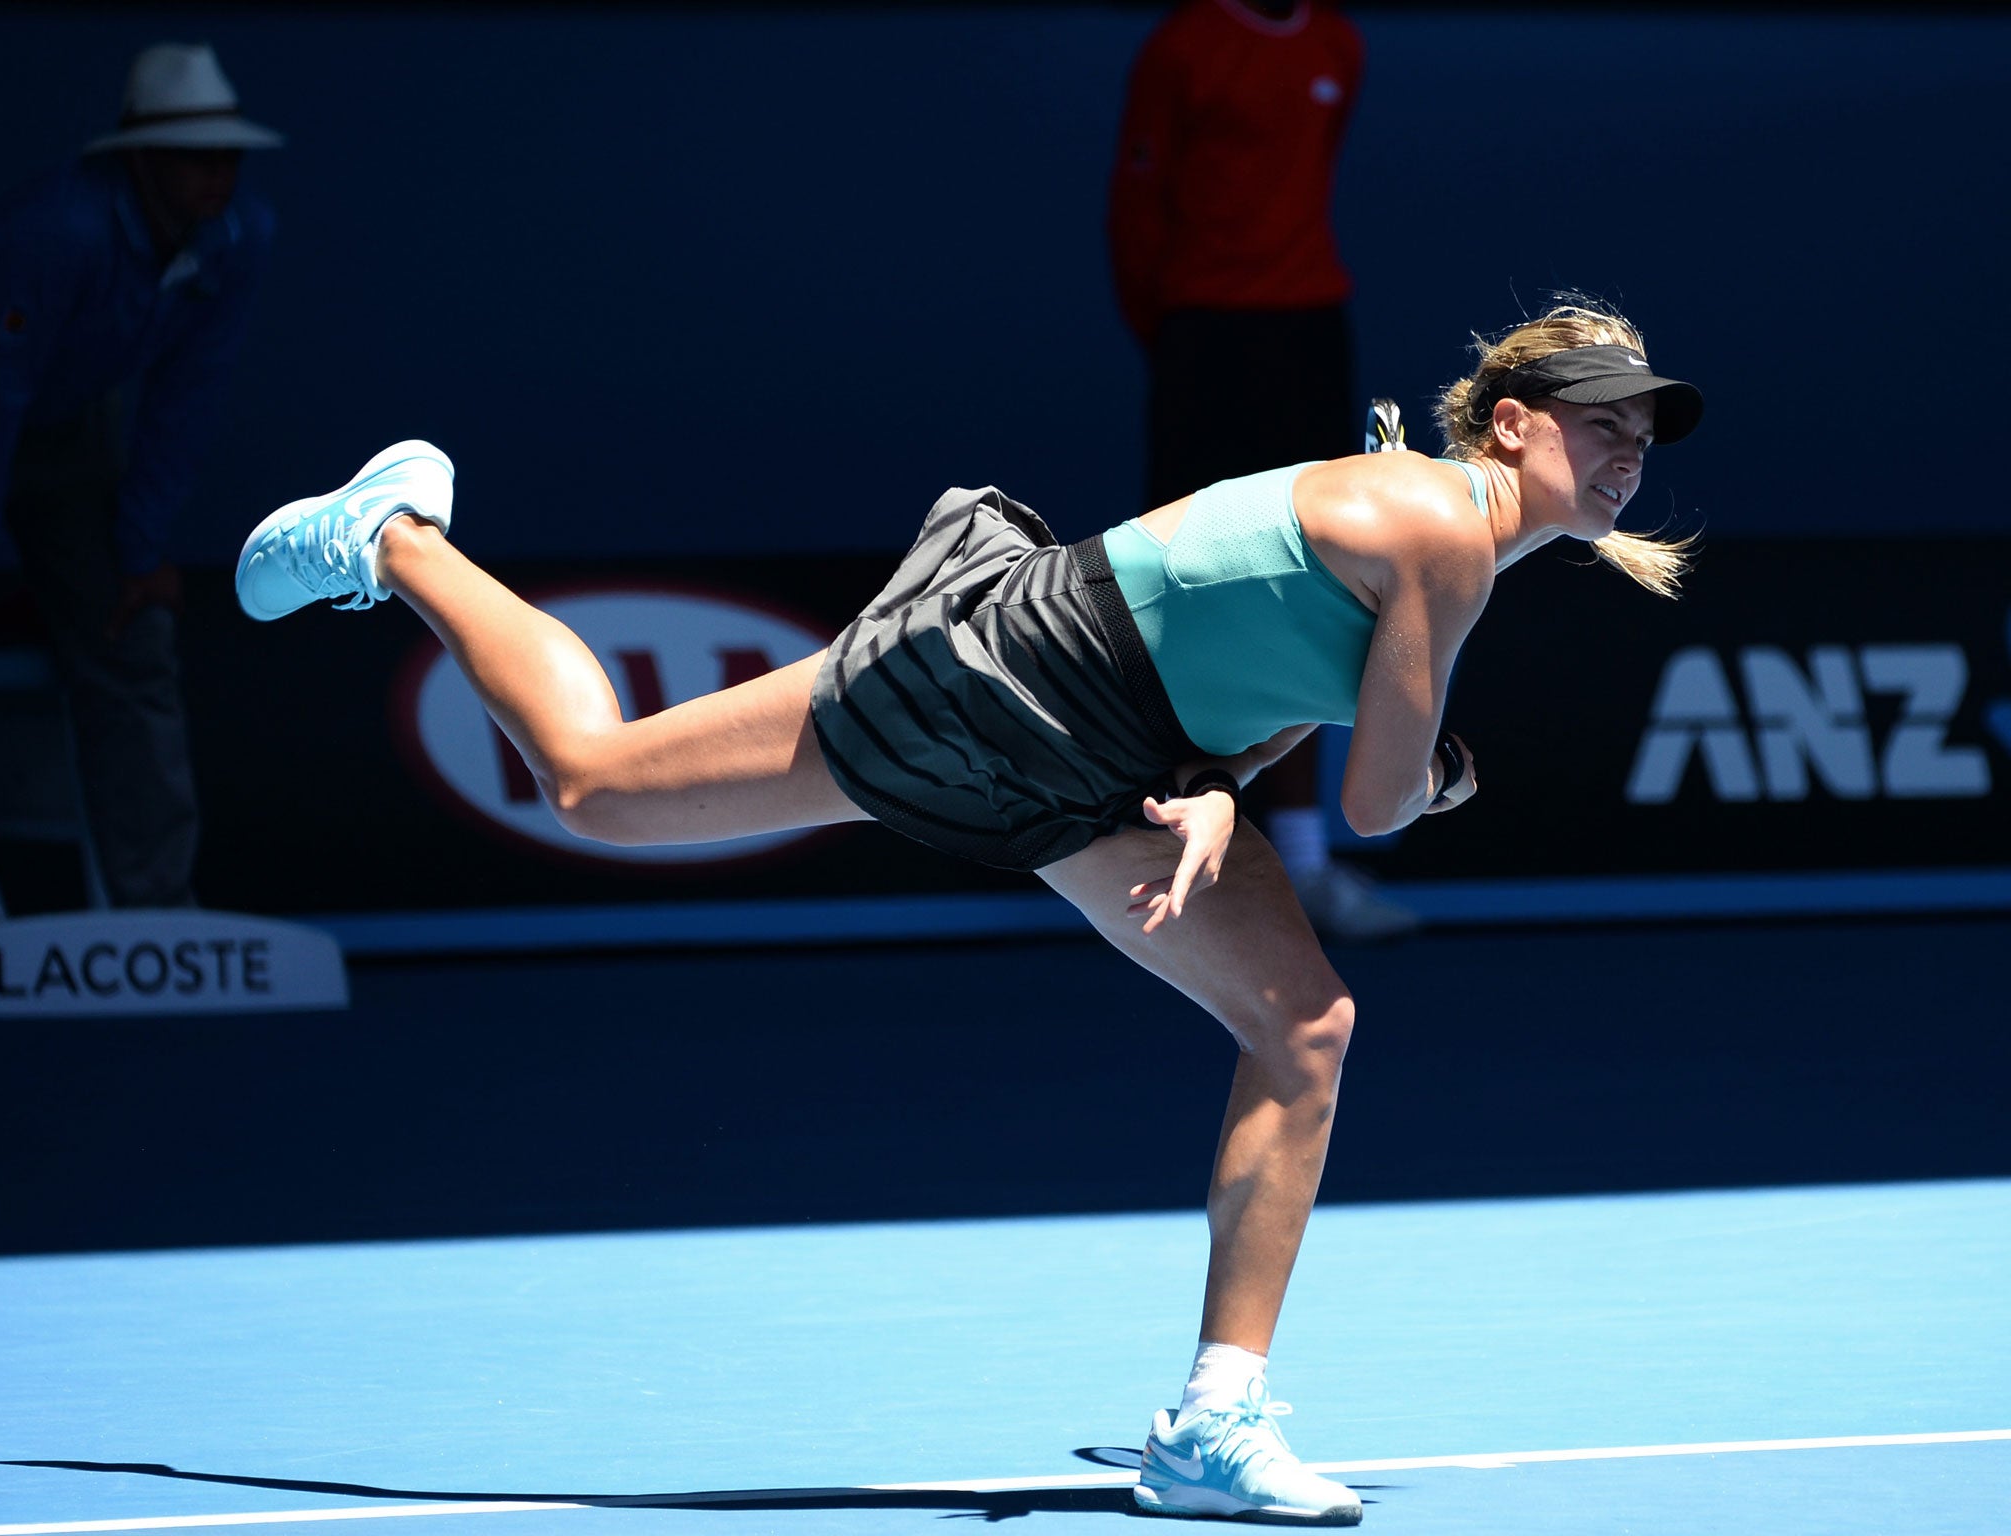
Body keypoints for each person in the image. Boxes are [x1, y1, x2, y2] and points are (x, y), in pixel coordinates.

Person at [234, 300, 1702, 1524]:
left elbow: (1254, 645)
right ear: (1510, 420)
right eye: (1601, 422)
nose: (1626, 456)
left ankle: (1210, 1426)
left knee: (1305, 1021)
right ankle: (399, 542)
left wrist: (1216, 785)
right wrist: (1443, 778)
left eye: (1641, 435)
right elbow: (1379, 804)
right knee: (597, 787)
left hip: (1125, 754)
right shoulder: (1446, 537)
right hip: (1011, 675)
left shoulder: (1459, 549)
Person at [1108, 0, 1416, 942]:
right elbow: (1136, 210)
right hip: (1205, 340)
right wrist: (1184, 332)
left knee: (1315, 595)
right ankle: (1154, 851)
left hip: (1307, 339)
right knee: (1181, 587)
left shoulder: (1337, 44)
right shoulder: (1186, 45)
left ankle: (1303, 863)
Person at [0, 43, 280, 909]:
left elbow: (184, 399)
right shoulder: (52, 232)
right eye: (193, 154)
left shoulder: (238, 237)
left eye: (228, 155)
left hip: (68, 439)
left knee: (131, 633)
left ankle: (157, 908)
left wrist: (140, 550)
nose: (218, 174)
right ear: (141, 157)